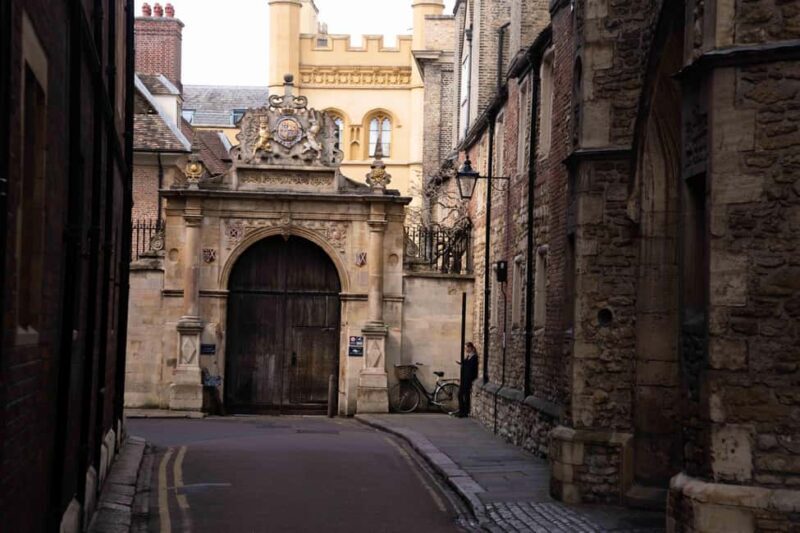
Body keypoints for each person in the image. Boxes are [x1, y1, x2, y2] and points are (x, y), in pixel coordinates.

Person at [456, 342, 479, 417]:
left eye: (466, 347)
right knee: (460, 395)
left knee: (466, 395)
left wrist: (464, 364)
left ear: (471, 348)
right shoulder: (468, 356)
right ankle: (461, 410)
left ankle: (465, 412)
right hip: (464, 378)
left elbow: (472, 368)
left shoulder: (474, 357)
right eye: (465, 347)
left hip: (468, 379)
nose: (466, 349)